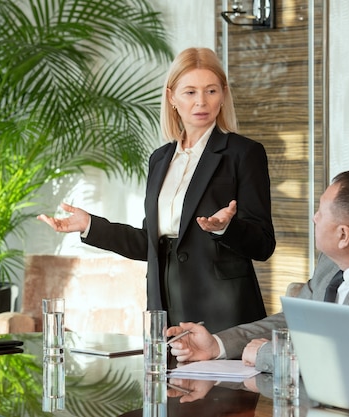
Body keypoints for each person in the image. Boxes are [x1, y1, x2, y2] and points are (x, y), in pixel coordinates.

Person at [38, 47, 276, 333]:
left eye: (211, 91)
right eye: (190, 92)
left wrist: (226, 228)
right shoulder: (160, 159)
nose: (201, 102)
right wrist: (90, 225)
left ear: (223, 94)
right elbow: (147, 244)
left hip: (224, 312)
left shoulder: (244, 153)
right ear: (172, 97)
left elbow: (263, 245)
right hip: (164, 307)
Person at [166, 170, 349, 373]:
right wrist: (218, 345)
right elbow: (292, 321)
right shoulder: (331, 262)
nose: (314, 218)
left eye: (321, 212)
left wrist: (268, 354)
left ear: (343, 235)